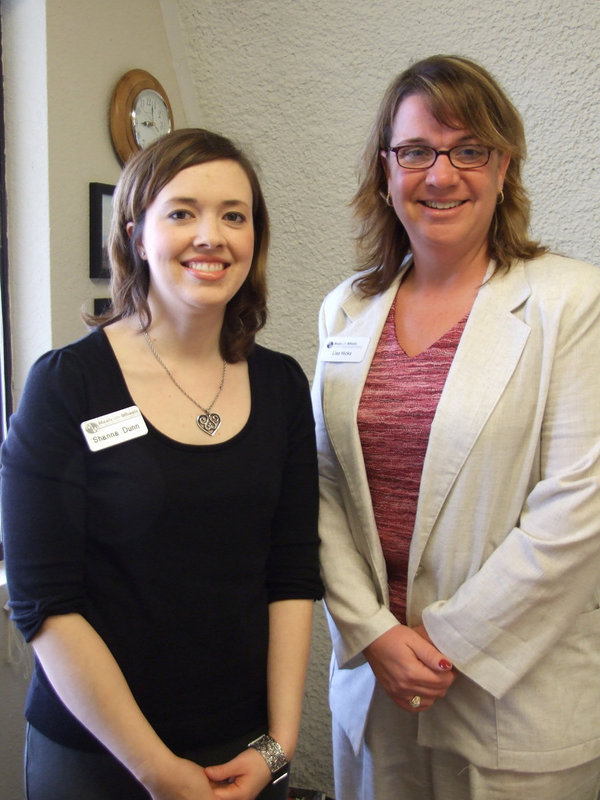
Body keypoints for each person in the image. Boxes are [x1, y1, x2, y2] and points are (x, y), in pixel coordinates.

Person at [2, 128, 323, 800]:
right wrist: (155, 768)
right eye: (182, 213)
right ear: (136, 236)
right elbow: (44, 603)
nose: (212, 236)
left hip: (244, 753)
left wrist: (278, 746)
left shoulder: (282, 385)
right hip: (97, 756)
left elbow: (291, 575)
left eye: (234, 216)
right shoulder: (66, 386)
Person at [311, 54, 600, 799]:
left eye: (468, 150)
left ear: (503, 168)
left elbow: (580, 506)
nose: (441, 176)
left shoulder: (574, 301)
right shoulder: (347, 308)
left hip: (516, 698)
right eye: (416, 151)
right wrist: (373, 631)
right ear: (385, 170)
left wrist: (444, 640)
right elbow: (323, 487)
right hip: (378, 684)